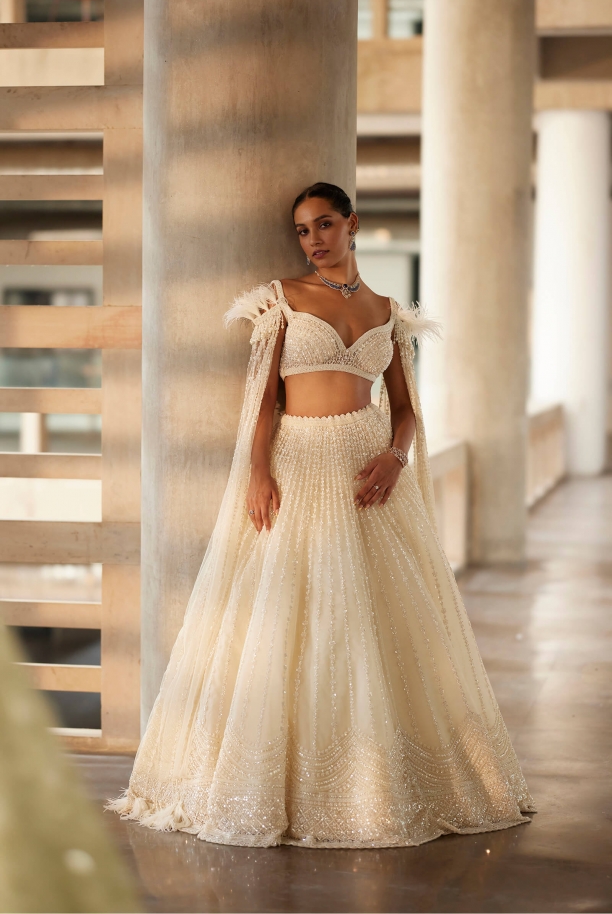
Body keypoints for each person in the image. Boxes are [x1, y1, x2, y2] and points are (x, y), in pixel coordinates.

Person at [105, 182, 536, 848]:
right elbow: (264, 399)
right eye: (304, 231)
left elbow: (403, 407)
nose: (314, 241)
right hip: (297, 463)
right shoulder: (282, 299)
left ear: (352, 223)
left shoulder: (388, 311)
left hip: (367, 470)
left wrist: (396, 456)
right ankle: (279, 786)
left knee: (375, 623)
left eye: (324, 225)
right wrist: (256, 470)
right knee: (287, 619)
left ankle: (376, 784)